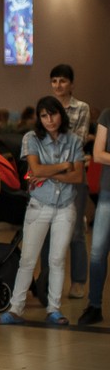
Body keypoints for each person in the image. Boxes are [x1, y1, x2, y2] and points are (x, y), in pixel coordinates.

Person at [0, 96, 85, 326]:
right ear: (39, 118)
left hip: (65, 206)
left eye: (53, 114)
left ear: (60, 115)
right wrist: (64, 167)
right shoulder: (31, 138)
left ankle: (54, 309)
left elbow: (78, 176)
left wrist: (50, 173)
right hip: (39, 205)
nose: (49, 120)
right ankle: (16, 309)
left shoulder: (74, 140)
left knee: (57, 260)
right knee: (27, 259)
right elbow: (35, 170)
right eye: (44, 116)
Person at [35, 64, 90, 301]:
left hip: (73, 174)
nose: (58, 85)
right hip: (49, 178)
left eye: (63, 81)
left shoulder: (81, 108)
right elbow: (39, 139)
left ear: (71, 84)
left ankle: (78, 281)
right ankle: (46, 281)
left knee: (75, 231)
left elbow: (78, 140)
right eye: (54, 81)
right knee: (47, 230)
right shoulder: (45, 106)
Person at [78, 107, 110, 325]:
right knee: (98, 251)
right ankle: (94, 305)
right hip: (108, 192)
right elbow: (98, 154)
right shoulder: (107, 115)